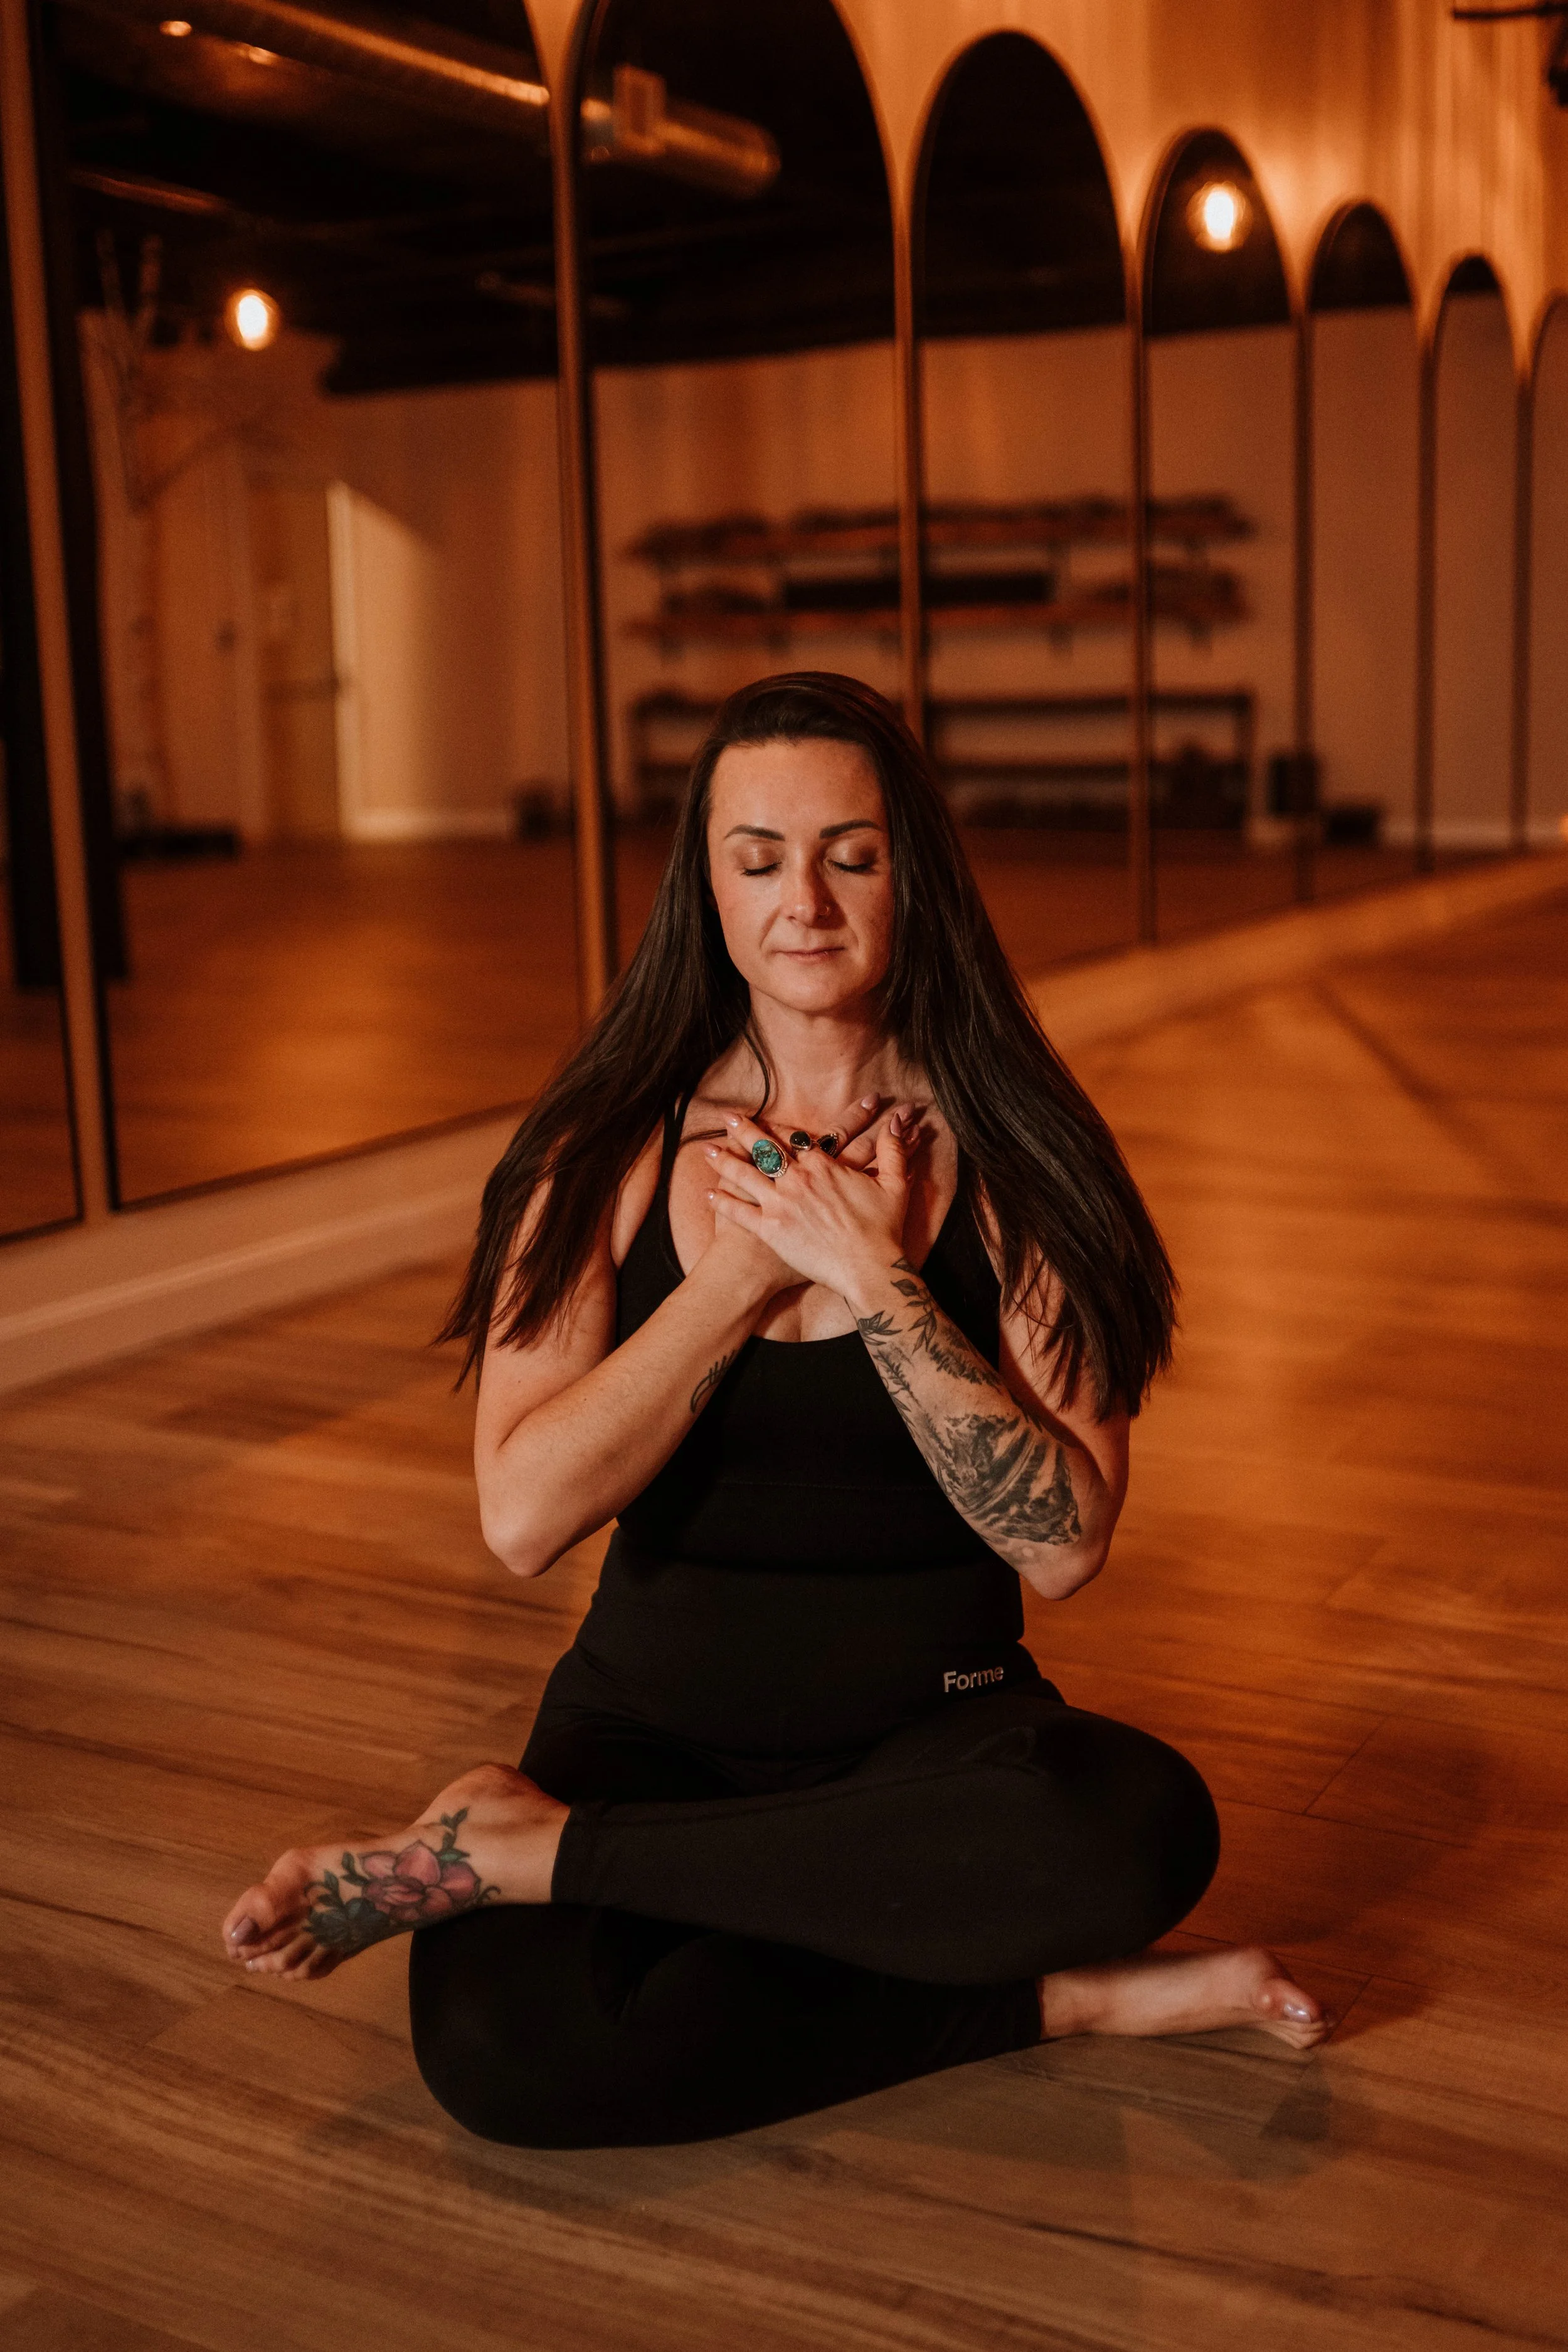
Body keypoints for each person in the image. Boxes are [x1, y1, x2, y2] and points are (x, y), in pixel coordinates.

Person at [222, 672, 1327, 2147]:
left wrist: (874, 1279)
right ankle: (1060, 1998)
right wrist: (736, 1276)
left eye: (848, 855)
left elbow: (1062, 1545)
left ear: (910, 873)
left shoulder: (1020, 1160)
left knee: (1131, 1827)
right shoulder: (604, 1150)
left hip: (928, 1740)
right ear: (709, 890)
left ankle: (525, 1856)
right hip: (653, 1730)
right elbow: (521, 1517)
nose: (802, 899)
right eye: (757, 859)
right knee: (515, 2058)